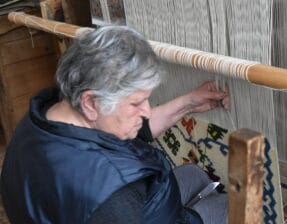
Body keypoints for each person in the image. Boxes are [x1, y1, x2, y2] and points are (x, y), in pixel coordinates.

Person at [1, 26, 229, 224]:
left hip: (136, 208)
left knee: (193, 174)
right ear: (90, 102)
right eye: (136, 103)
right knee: (229, 204)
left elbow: (136, 129)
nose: (146, 111)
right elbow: (111, 199)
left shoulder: (42, 119)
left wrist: (188, 104)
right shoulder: (110, 200)